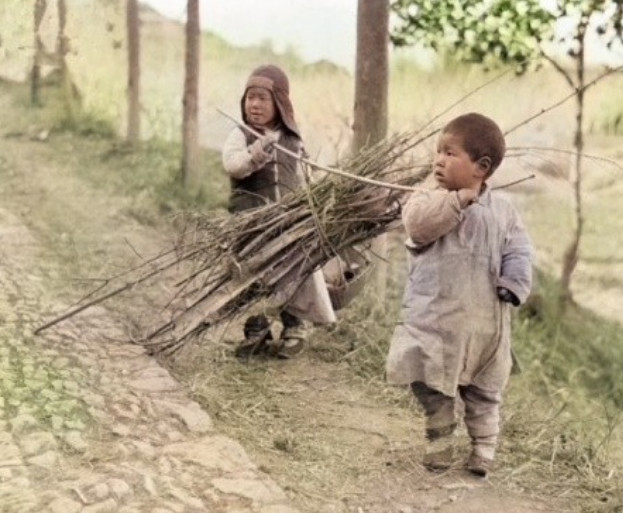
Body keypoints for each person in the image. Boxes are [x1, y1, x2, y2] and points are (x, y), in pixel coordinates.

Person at [385, 113, 533, 478]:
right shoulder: (426, 198)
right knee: (428, 380)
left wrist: (514, 280)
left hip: (484, 321)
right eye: (437, 151)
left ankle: (483, 448)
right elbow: (418, 229)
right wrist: (457, 201)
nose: (438, 159)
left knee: (484, 391)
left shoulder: (502, 210)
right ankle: (440, 437)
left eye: (450, 153)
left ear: (481, 167)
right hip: (434, 318)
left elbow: (520, 249)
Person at [221, 64, 336, 359]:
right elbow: (232, 164)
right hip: (251, 223)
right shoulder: (241, 135)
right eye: (250, 98)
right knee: (253, 275)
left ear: (280, 104)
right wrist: (254, 154)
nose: (255, 105)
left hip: (287, 223)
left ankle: (294, 327)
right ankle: (256, 332)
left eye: (263, 99)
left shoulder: (293, 141)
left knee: (292, 273)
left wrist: (318, 198)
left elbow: (305, 176)